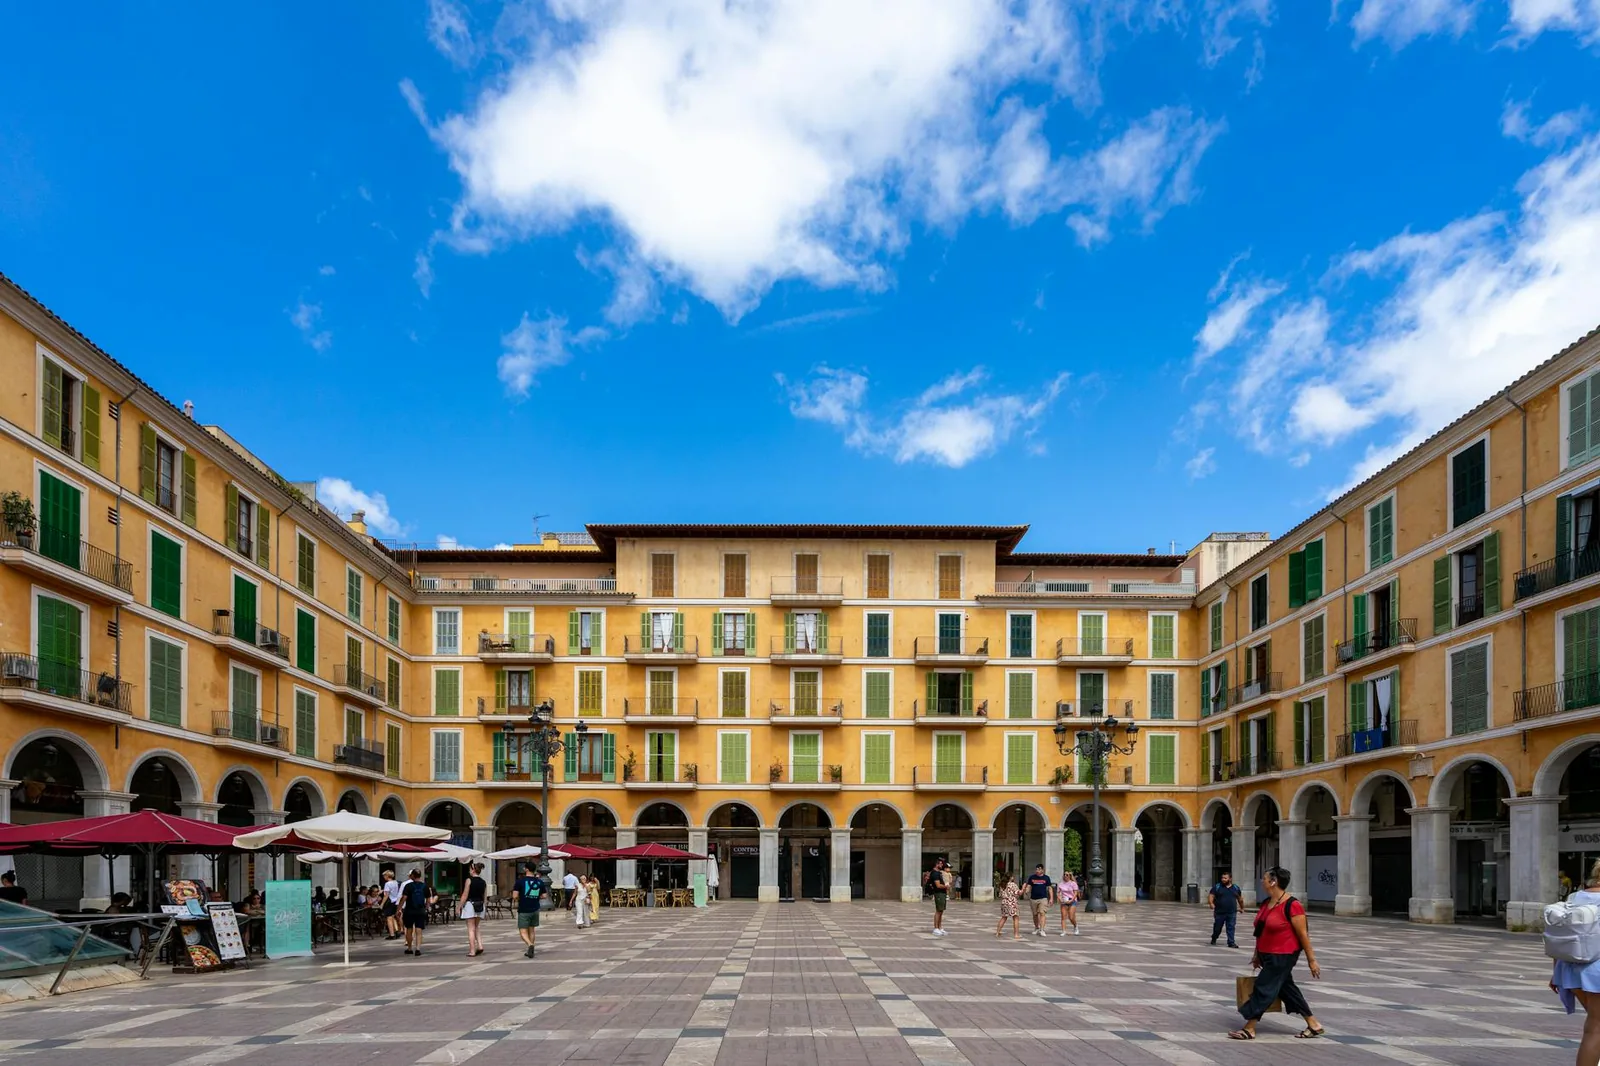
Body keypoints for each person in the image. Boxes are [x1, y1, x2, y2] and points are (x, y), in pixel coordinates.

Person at [1231, 866, 1325, 1041]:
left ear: (1273, 882)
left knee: (1263, 987)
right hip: (1267, 954)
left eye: (1265, 878)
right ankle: (1314, 1024)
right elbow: (1260, 930)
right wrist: (1256, 953)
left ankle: (1249, 1027)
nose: (1262, 881)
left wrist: (1312, 960)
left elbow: (1303, 935)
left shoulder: (1293, 905)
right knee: (1286, 988)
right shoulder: (1267, 903)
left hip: (1284, 954)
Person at [1550, 857, 1600, 1066]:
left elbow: (1560, 935)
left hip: (1570, 970)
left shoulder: (1575, 897)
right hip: (1596, 970)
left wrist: (1555, 973)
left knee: (1595, 1025)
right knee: (1595, 1028)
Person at [399, 869, 436, 957]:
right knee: (419, 929)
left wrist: (399, 908)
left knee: (409, 929)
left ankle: (409, 948)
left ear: (412, 876)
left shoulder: (408, 886)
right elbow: (428, 899)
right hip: (420, 910)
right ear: (420, 876)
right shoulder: (425, 886)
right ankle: (418, 948)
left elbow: (404, 897)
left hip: (409, 910)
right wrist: (427, 907)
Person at [512, 862, 543, 958]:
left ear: (526, 869)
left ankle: (530, 945)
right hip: (535, 908)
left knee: (523, 932)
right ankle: (531, 950)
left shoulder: (520, 881)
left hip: (524, 909)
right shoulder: (539, 882)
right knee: (532, 930)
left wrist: (521, 898)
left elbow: (515, 896)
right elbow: (544, 895)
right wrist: (535, 896)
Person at [460, 862, 488, 957]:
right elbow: (485, 897)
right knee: (476, 927)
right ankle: (480, 945)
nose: (469, 871)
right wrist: (484, 906)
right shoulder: (483, 881)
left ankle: (472, 950)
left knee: (471, 929)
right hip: (480, 905)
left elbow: (465, 894)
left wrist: (459, 906)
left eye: (469, 869)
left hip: (470, 905)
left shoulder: (469, 880)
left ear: (473, 870)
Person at [1209, 871, 1243, 948]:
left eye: (1225, 878)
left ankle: (1231, 942)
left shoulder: (1236, 888)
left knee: (1231, 927)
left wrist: (1242, 908)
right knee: (1217, 928)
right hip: (1219, 912)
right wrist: (1211, 903)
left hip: (1232, 912)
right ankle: (1214, 937)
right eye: (1222, 878)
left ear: (1230, 879)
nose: (1223, 879)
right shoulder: (1217, 887)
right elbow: (1211, 895)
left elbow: (1240, 899)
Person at [1024, 864, 1054, 937]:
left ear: (1043, 870)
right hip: (1033, 898)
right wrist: (1027, 890)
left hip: (1043, 898)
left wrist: (1051, 898)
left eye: (1039, 869)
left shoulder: (1046, 878)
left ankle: (1042, 929)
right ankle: (1036, 927)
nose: (1037, 870)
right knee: (1035, 914)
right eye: (1037, 869)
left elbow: (1050, 888)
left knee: (1042, 913)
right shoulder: (1032, 877)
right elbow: (1029, 886)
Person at [925, 858, 951, 936]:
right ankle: (936, 928)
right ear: (937, 864)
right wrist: (946, 886)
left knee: (941, 911)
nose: (942, 865)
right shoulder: (935, 873)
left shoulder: (938, 872)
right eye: (941, 864)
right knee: (938, 911)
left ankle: (940, 927)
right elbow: (938, 885)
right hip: (939, 893)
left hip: (942, 893)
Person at [995, 875, 1022, 939]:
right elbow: (1018, 893)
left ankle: (997, 932)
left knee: (1004, 917)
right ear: (1010, 877)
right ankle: (1016, 934)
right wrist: (1023, 888)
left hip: (1004, 902)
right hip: (1012, 902)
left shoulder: (1002, 884)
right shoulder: (1012, 884)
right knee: (1016, 918)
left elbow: (1000, 895)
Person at [381, 869, 403, 940]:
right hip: (396, 902)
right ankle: (397, 930)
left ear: (387, 876)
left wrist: (382, 904)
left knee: (389, 918)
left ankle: (392, 934)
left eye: (384, 875)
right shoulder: (397, 882)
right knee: (394, 917)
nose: (384, 877)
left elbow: (386, 895)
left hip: (390, 902)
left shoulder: (387, 884)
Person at [1058, 869, 1080, 936]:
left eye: (1067, 875)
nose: (1065, 876)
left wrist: (1072, 899)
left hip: (1072, 901)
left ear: (1070, 876)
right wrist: (1060, 899)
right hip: (1064, 901)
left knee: (1071, 917)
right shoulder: (1060, 884)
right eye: (1064, 875)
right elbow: (1058, 893)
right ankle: (1064, 931)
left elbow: (1076, 893)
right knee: (1063, 917)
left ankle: (1075, 926)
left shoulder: (1073, 883)